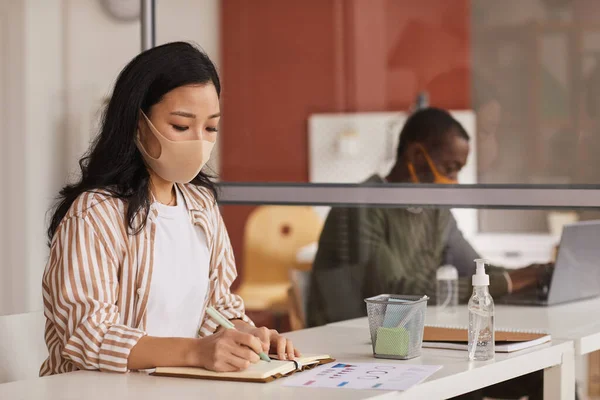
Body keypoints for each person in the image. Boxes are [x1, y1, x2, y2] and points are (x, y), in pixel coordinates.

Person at [40, 42, 298, 377]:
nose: (199, 142)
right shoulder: (94, 214)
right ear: (137, 122)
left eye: (210, 128)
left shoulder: (202, 207)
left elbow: (217, 308)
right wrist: (196, 352)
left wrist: (244, 336)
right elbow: (89, 334)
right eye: (180, 125)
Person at [307, 107, 551, 328]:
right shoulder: (359, 208)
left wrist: (531, 275)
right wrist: (506, 282)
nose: (454, 181)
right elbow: (393, 294)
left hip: (402, 335)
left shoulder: (435, 210)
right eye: (449, 168)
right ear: (416, 156)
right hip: (348, 342)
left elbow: (475, 267)